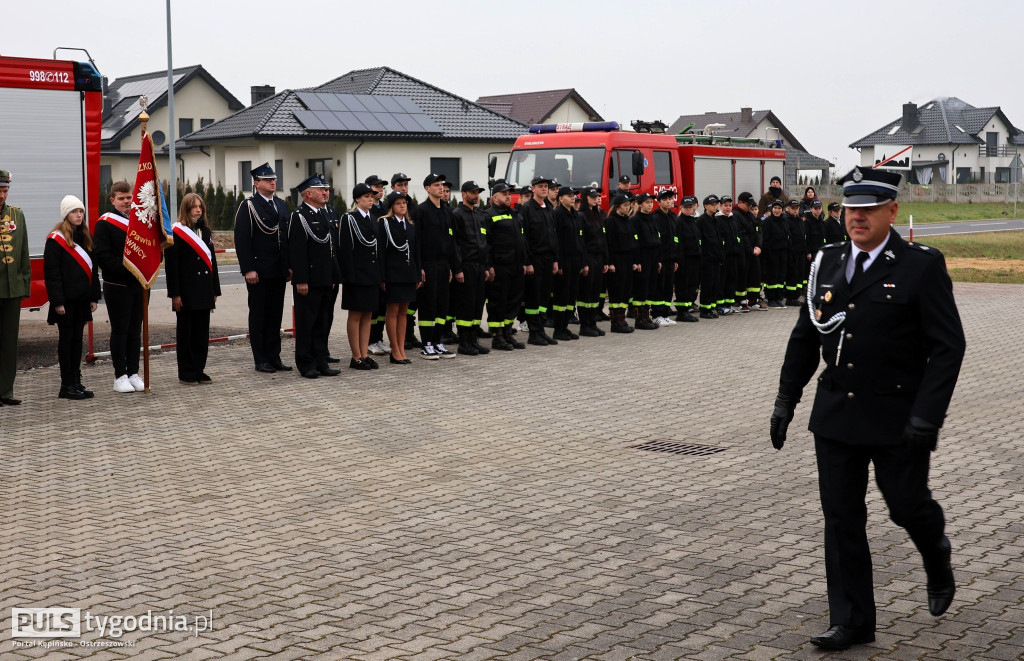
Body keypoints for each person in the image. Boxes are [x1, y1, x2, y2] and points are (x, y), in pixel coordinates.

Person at [770, 166, 965, 651]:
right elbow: (805, 336)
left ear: (891, 212)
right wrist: (785, 399)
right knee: (840, 518)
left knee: (905, 505)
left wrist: (928, 414)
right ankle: (853, 620)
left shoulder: (920, 264)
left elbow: (948, 346)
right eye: (850, 209)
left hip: (897, 415)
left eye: (868, 209)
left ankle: (935, 552)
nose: (856, 217)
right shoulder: (827, 261)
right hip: (836, 414)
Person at [234, 163, 291, 374]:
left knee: (275, 315)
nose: (273, 182)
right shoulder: (248, 206)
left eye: (274, 179)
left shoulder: (281, 205)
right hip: (259, 270)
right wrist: (248, 268)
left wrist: (289, 266)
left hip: (278, 270)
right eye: (267, 180)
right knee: (259, 315)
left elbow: (285, 238)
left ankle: (274, 356)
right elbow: (242, 239)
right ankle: (261, 359)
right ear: (256, 184)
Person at [44, 195, 100, 399]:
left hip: (82, 300)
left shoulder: (85, 237)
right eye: (75, 211)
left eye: (81, 211)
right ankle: (66, 385)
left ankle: (76, 381)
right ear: (66, 214)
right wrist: (57, 301)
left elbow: (93, 270)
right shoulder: (56, 239)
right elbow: (52, 273)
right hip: (65, 302)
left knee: (77, 341)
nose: (79, 215)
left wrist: (94, 296)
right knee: (66, 341)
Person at [94, 181, 145, 393]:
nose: (126, 201)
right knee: (121, 331)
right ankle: (120, 375)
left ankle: (133, 372)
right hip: (118, 285)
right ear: (112, 200)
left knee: (135, 330)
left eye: (129, 197)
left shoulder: (141, 221)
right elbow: (103, 257)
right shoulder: (104, 223)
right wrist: (131, 270)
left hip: (140, 285)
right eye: (122, 198)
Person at [288, 174, 342, 378]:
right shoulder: (299, 216)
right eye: (321, 190)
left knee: (322, 323)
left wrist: (334, 278)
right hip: (308, 281)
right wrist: (301, 280)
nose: (326, 193)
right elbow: (297, 251)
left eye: (327, 189)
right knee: (307, 323)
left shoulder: (323, 214)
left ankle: (321, 362)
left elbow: (330, 249)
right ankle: (306, 363)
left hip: (325, 279)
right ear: (308, 194)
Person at [166, 193, 221, 385]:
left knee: (201, 333)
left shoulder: (205, 231)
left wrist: (215, 290)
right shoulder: (176, 232)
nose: (198, 210)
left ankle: (199, 369)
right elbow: (172, 267)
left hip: (204, 290)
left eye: (200, 207)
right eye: (194, 207)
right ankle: (186, 371)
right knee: (186, 333)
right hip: (186, 292)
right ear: (186, 210)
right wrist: (175, 294)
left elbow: (212, 262)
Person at [338, 183, 382, 370]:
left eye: (371, 196)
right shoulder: (349, 218)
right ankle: (355, 356)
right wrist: (349, 276)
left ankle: (364, 353)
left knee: (368, 315)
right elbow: (345, 250)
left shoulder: (373, 218)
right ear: (357, 199)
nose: (370, 199)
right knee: (355, 315)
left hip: (371, 275)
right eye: (366, 197)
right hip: (356, 275)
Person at [416, 173, 460, 359]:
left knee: (442, 306)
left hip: (443, 266)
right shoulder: (421, 211)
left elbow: (451, 241)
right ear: (427, 189)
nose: (441, 188)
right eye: (436, 185)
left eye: (442, 184)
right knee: (428, 305)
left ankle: (437, 342)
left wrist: (451, 266)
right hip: (428, 265)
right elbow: (416, 242)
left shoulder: (447, 211)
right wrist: (419, 268)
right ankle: (426, 344)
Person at [482, 180, 527, 351]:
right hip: (499, 266)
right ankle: (497, 336)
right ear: (495, 197)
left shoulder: (515, 214)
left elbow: (521, 241)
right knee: (497, 302)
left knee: (513, 301)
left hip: (515, 265)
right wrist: (489, 265)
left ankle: (507, 332)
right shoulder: (488, 215)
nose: (508, 197)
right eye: (504, 194)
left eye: (509, 194)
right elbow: (486, 243)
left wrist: (523, 262)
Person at [379, 190, 421, 364]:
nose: (402, 206)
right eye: (398, 203)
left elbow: (416, 251)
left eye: (404, 203)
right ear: (391, 207)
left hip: (408, 273)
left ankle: (401, 348)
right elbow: (381, 252)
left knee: (404, 313)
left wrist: (418, 273)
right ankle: (394, 349)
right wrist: (382, 277)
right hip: (393, 274)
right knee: (393, 311)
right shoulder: (385, 224)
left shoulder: (410, 225)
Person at [450, 181, 491, 356]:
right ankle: (464, 342)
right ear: (463, 194)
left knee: (476, 305)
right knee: (465, 305)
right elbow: (455, 244)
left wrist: (487, 266)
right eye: (472, 192)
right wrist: (457, 269)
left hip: (479, 267)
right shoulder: (457, 214)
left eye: (477, 193)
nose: (476, 196)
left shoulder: (478, 215)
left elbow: (484, 243)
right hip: (465, 267)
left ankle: (473, 340)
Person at [0, 170, 29, 405]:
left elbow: (24, 254)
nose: (2, 195)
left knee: (9, 343)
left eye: (5, 190)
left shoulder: (16, 215)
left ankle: (5, 391)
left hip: (12, 290)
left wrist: (24, 284)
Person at [520, 176, 559, 346]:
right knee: (533, 297)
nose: (544, 189)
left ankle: (541, 329)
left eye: (546, 186)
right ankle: (534, 332)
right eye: (541, 186)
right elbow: (524, 237)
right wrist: (527, 261)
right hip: (534, 258)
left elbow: (554, 236)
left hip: (548, 259)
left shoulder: (549, 209)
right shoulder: (527, 209)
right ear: (533, 189)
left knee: (544, 297)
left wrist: (555, 260)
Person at [551, 186, 587, 341]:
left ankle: (565, 327)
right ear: (560, 199)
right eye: (568, 196)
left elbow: (580, 240)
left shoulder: (575, 215)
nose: (572, 198)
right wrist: (558, 262)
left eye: (573, 196)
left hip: (575, 261)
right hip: (564, 262)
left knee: (571, 297)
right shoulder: (557, 215)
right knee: (561, 297)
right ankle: (558, 329)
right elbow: (556, 240)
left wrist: (582, 262)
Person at [604, 194, 638, 333]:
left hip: (628, 260)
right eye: (625, 205)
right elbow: (609, 243)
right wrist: (610, 262)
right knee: (617, 292)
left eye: (629, 205)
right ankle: (616, 322)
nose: (627, 207)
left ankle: (622, 320)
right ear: (617, 206)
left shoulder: (628, 221)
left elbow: (633, 242)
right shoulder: (611, 221)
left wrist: (635, 261)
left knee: (625, 292)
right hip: (617, 260)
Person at [365, 175, 390, 357]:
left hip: (386, 261)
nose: (379, 189)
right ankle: (370, 341)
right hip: (372, 264)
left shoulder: (385, 209)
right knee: (372, 307)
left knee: (382, 307)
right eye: (376, 186)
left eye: (381, 187)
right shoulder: (368, 210)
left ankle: (378, 338)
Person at [578, 188, 608, 337]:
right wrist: (584, 263)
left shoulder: (598, 215)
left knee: (595, 292)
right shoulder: (581, 216)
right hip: (589, 257)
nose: (595, 199)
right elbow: (581, 241)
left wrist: (606, 260)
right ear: (585, 198)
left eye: (596, 196)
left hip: (599, 257)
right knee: (586, 293)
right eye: (592, 197)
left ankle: (592, 322)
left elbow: (603, 239)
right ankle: (585, 325)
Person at [631, 193, 661, 330]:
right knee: (641, 288)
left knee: (651, 287)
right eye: (647, 202)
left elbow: (657, 238)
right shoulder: (635, 220)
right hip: (643, 257)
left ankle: (646, 316)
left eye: (651, 202)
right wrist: (637, 261)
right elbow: (635, 242)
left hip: (653, 256)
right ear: (640, 204)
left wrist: (659, 260)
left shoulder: (653, 218)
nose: (650, 205)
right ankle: (639, 319)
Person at [735, 192, 766, 312]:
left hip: (755, 251)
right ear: (740, 203)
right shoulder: (736, 215)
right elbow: (742, 235)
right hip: (745, 252)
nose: (750, 208)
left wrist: (758, 246)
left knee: (755, 276)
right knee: (743, 277)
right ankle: (741, 301)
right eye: (748, 205)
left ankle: (754, 300)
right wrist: (751, 249)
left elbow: (758, 230)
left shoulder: (750, 215)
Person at [651, 190, 678, 325]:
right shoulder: (655, 217)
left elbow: (676, 238)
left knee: (668, 287)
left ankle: (666, 313)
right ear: (659, 201)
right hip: (661, 258)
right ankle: (657, 314)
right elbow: (656, 240)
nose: (669, 201)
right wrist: (658, 260)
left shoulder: (673, 217)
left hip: (671, 258)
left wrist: (676, 259)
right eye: (666, 199)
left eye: (670, 199)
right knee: (659, 287)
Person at [672, 196, 701, 323]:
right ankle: (682, 312)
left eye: (690, 207)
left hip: (694, 259)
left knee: (692, 285)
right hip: (685, 260)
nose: (688, 209)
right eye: (686, 207)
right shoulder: (679, 222)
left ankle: (687, 308)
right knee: (683, 286)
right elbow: (679, 243)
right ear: (681, 208)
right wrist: (680, 259)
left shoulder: (692, 221)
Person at [716, 195, 746, 315]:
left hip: (734, 255)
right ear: (720, 206)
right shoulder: (717, 220)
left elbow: (738, 237)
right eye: (725, 205)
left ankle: (729, 304)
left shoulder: (734, 219)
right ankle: (720, 305)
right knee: (722, 281)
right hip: (724, 257)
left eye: (729, 205)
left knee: (732, 281)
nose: (728, 208)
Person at [696, 195, 723, 319]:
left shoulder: (716, 220)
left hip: (716, 258)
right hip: (707, 259)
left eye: (716, 204)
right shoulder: (701, 221)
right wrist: (703, 257)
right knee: (707, 285)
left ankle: (711, 308)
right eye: (712, 204)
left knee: (715, 284)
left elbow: (718, 240)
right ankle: (704, 309)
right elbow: (700, 240)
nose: (715, 206)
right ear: (705, 206)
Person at [761, 200, 790, 308]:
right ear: (772, 209)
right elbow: (765, 239)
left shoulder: (784, 221)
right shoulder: (767, 222)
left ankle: (778, 298)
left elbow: (788, 236)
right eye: (775, 208)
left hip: (783, 253)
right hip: (772, 253)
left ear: (782, 210)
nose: (777, 210)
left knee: (781, 276)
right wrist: (767, 253)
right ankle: (771, 298)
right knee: (772, 277)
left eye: (779, 208)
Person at [783, 199, 806, 306]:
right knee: (792, 275)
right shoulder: (786, 220)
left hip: (801, 252)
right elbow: (788, 238)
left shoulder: (800, 221)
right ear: (788, 208)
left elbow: (803, 236)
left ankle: (796, 296)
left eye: (797, 208)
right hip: (792, 253)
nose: (795, 210)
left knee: (799, 275)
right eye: (793, 208)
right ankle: (790, 298)